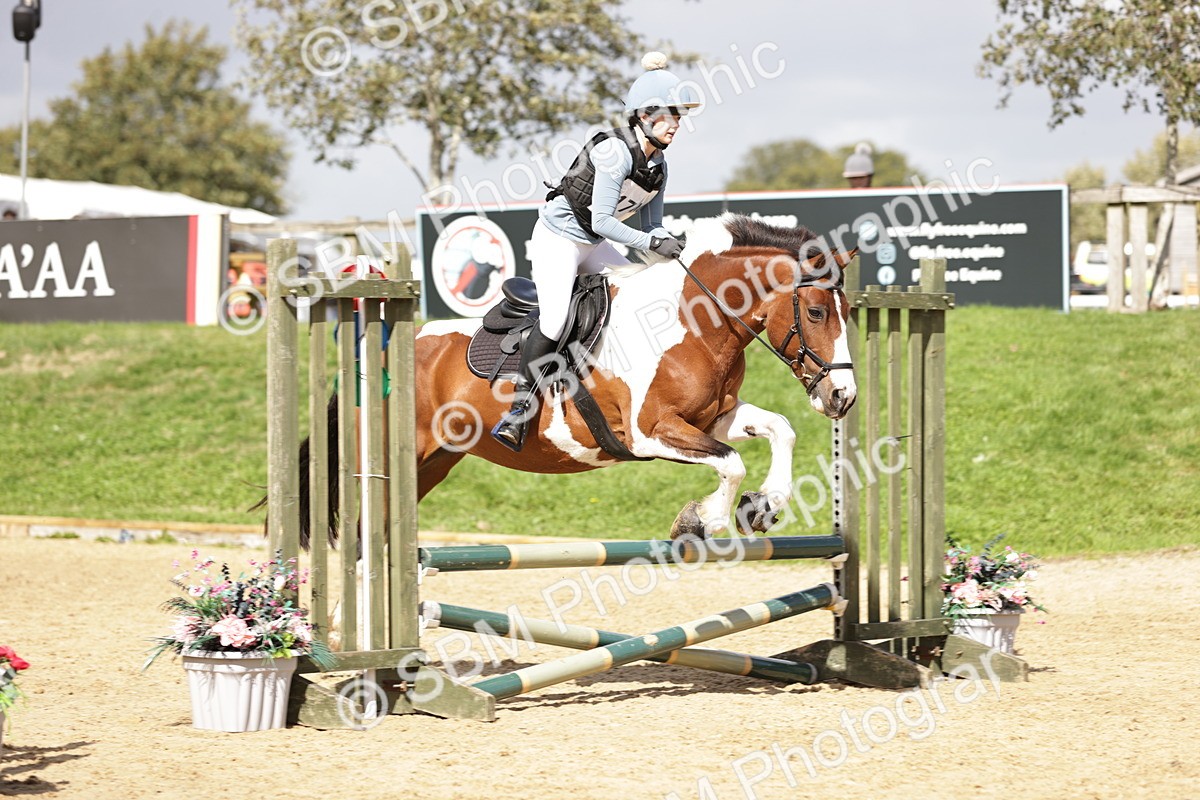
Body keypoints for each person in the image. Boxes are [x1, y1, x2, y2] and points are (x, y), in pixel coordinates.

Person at [491, 52, 701, 451]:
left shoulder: (659, 165)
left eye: (679, 117)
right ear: (644, 116)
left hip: (593, 244)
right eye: (669, 116)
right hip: (560, 239)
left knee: (632, 302)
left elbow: (650, 225)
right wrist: (650, 243)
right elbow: (603, 220)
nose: (676, 125)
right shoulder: (615, 153)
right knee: (554, 320)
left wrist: (667, 241)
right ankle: (517, 411)